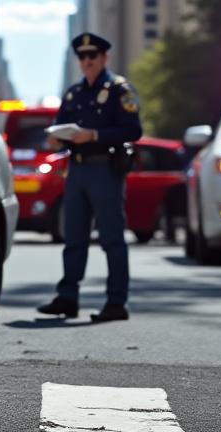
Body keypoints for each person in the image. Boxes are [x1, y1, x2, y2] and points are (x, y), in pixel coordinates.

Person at [37, 32, 143, 323]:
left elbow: (133, 130)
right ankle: (68, 297)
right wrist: (57, 140)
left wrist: (94, 135)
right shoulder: (74, 93)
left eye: (92, 56)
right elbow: (60, 126)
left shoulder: (120, 90)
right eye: (82, 57)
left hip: (105, 168)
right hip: (78, 170)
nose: (87, 62)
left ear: (104, 57)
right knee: (73, 237)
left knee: (111, 238)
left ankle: (116, 302)